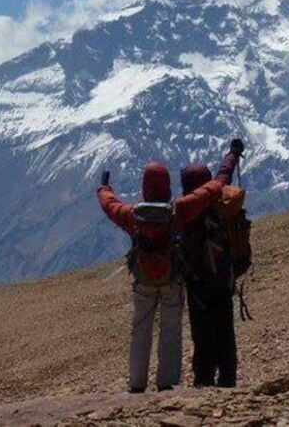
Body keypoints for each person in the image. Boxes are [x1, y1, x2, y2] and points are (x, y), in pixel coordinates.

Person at [96, 138, 243, 393]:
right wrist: (231, 156)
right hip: (174, 280)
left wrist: (103, 187)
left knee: (141, 327)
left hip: (143, 280)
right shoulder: (181, 209)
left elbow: (110, 205)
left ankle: (137, 382)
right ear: (167, 187)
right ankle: (168, 383)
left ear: (144, 187)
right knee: (171, 329)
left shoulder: (133, 215)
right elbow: (218, 183)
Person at [180, 161, 240, 387]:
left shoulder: (183, 209)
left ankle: (204, 378)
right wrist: (232, 155)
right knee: (225, 328)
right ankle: (228, 377)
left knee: (202, 331)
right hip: (223, 278)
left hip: (197, 284)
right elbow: (224, 175)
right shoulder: (217, 199)